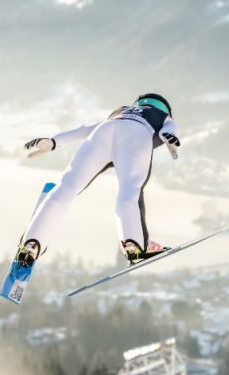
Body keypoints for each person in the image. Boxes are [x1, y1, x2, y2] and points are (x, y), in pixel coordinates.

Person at [16, 92, 181, 268]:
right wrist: (171, 140)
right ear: (165, 109)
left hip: (103, 132)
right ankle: (134, 245)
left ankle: (31, 244)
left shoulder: (121, 112)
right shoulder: (163, 116)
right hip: (137, 136)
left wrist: (53, 142)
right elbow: (169, 130)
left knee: (66, 187)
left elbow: (86, 130)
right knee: (129, 193)